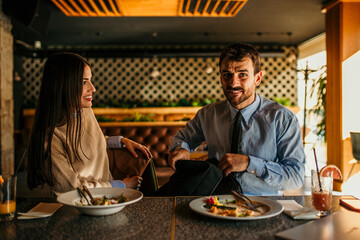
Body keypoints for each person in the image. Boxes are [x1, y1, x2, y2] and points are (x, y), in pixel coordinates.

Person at [169, 43, 305, 196]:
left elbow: (295, 177)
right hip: (215, 202)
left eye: (242, 74)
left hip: (265, 205)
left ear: (257, 78)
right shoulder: (207, 114)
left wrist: (249, 163)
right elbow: (182, 138)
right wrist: (182, 149)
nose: (233, 83)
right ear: (221, 77)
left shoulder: (282, 118)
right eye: (227, 75)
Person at [27, 52, 153, 195]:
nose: (93, 88)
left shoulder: (84, 111)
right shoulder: (49, 137)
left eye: (90, 80)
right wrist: (120, 185)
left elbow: (88, 142)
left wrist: (121, 141)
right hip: (77, 209)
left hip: (107, 201)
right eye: (83, 82)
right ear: (63, 85)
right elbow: (70, 189)